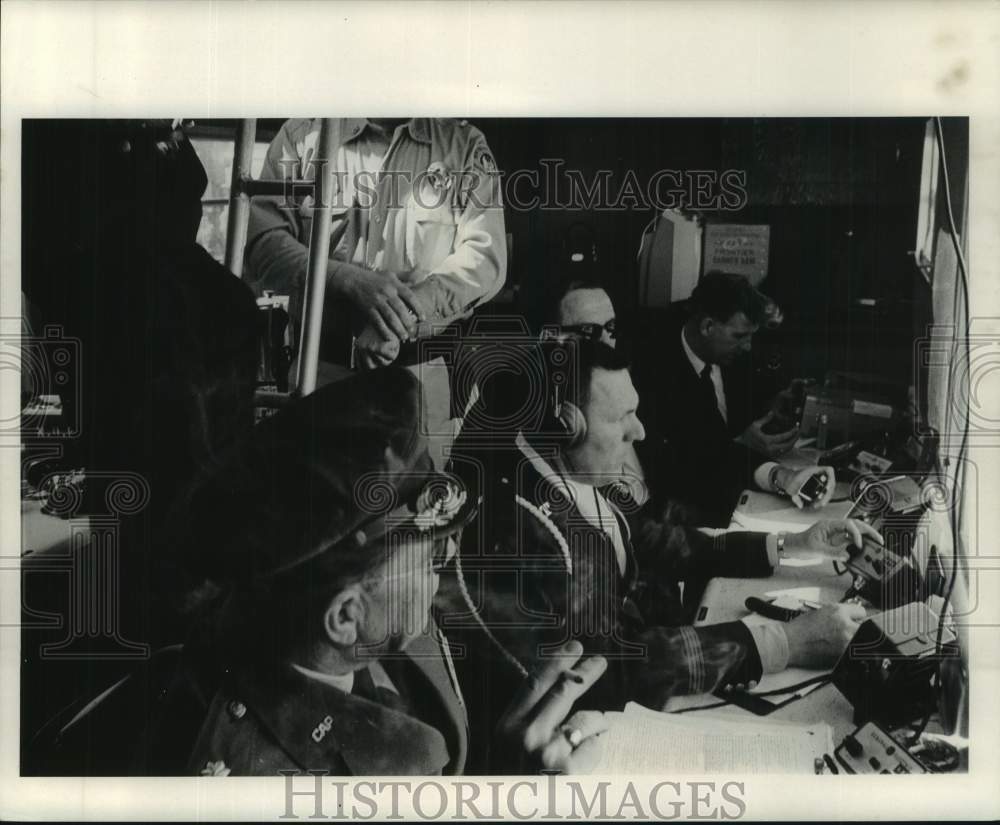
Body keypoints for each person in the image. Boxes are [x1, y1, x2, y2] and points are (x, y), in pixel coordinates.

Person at [34, 369, 608, 776]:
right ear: (343, 617)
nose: (447, 562)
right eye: (430, 555)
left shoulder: (307, 611)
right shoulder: (262, 778)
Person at [442, 337, 878, 772]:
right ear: (565, 427)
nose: (640, 432)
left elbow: (651, 540)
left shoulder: (556, 467)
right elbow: (611, 666)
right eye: (623, 417)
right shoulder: (519, 530)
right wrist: (784, 642)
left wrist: (794, 544)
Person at [244, 118, 508, 466]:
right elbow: (263, 242)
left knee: (416, 517)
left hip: (419, 377)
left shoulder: (462, 144)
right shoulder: (301, 136)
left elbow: (484, 260)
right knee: (321, 513)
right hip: (320, 372)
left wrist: (401, 318)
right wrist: (347, 280)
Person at [631, 271, 834, 525]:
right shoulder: (654, 375)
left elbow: (746, 409)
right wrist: (742, 444)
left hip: (753, 492)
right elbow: (678, 469)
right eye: (739, 336)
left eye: (751, 336)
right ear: (707, 327)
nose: (748, 346)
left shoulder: (735, 357)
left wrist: (773, 404)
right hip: (696, 516)